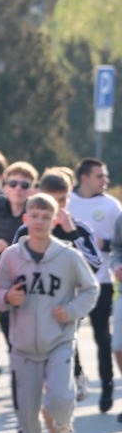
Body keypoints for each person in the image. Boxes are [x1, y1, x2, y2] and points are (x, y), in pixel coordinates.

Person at [0, 192, 98, 433]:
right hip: (23, 344)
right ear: (25, 219)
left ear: (55, 221)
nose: (39, 222)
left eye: (45, 217)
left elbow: (91, 289)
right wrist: (7, 297)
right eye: (34, 216)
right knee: (27, 410)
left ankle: (63, 428)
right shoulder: (12, 256)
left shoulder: (68, 256)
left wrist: (72, 309)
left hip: (59, 339)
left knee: (59, 398)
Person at [71, 158, 119, 412]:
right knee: (70, 336)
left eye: (105, 175)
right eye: (99, 176)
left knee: (103, 337)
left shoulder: (112, 206)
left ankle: (107, 387)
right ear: (84, 178)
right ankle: (78, 375)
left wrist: (105, 244)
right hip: (71, 284)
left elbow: (120, 243)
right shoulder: (68, 202)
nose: (104, 180)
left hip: (101, 281)